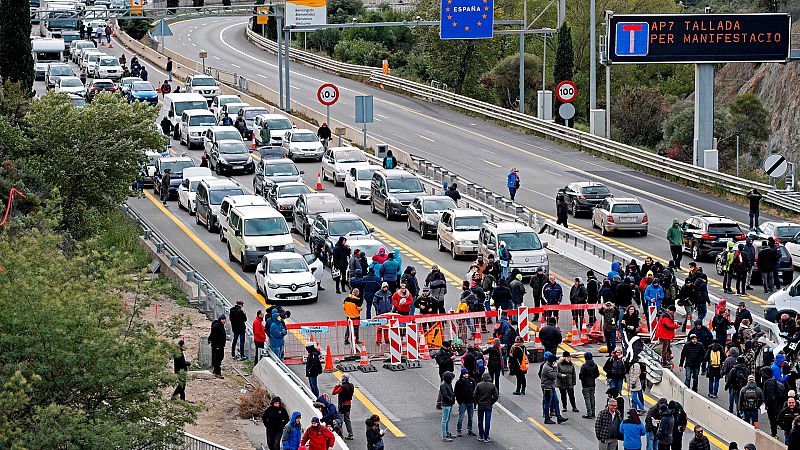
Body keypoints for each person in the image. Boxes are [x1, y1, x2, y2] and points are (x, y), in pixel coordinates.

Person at [541, 352, 568, 425]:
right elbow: (553, 376)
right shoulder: (547, 367)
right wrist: (555, 368)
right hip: (547, 388)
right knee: (548, 403)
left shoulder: (549, 366)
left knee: (556, 401)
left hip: (551, 387)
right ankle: (547, 418)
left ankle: (559, 417)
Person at [474, 371, 499, 442]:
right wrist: (491, 402)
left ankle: (481, 435)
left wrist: (477, 402)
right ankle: (486, 436)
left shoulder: (479, 385)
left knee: (480, 420)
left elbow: (475, 395)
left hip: (481, 404)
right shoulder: (492, 386)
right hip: (488, 405)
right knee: (487, 421)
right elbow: (496, 396)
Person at [763, 365, 787, 438]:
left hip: (772, 405)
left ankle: (774, 434)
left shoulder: (768, 382)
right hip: (776, 403)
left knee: (772, 419)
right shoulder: (773, 380)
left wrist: (767, 404)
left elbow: (769, 395)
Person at [454, 368, 477, 437]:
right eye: (464, 374)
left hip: (470, 402)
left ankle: (469, 430)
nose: (466, 375)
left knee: (471, 417)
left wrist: (474, 401)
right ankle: (459, 430)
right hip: (463, 402)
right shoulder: (459, 382)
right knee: (460, 417)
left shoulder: (472, 381)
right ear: (462, 374)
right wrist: (459, 401)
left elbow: (475, 391)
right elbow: (456, 393)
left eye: (466, 373)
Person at [332, 373, 355, 440]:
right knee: (347, 419)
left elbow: (334, 392)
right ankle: (350, 434)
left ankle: (340, 434)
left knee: (340, 420)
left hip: (342, 405)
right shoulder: (351, 385)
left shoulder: (342, 387)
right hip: (348, 404)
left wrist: (337, 385)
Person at [580, 352, 601, 419]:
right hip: (592, 384)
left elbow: (581, 376)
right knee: (592, 398)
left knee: (587, 399)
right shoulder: (594, 365)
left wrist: (583, 378)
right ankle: (593, 412)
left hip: (585, 384)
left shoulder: (584, 366)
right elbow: (597, 374)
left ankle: (589, 413)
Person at [439, 371, 456, 441]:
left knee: (447, 419)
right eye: (451, 378)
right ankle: (444, 436)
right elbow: (445, 395)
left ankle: (446, 433)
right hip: (446, 404)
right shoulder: (443, 385)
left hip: (449, 404)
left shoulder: (447, 383)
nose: (452, 379)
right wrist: (452, 400)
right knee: (445, 420)